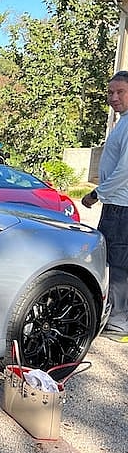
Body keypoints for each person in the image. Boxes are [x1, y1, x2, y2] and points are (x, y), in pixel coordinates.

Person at [82, 70, 128, 343]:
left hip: (120, 207)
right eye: (110, 93)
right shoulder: (122, 122)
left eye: (120, 92)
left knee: (116, 264)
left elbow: (124, 171)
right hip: (119, 204)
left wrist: (96, 194)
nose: (113, 97)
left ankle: (119, 322)